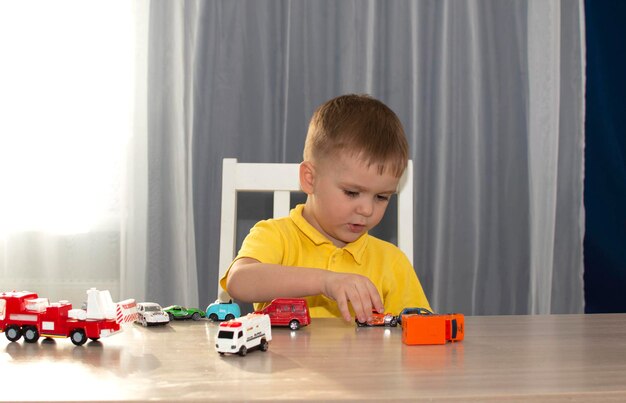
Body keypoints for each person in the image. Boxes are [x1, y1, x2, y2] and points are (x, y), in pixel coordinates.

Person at [220, 94, 431, 323]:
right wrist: (325, 281)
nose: (367, 209)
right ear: (310, 179)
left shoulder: (391, 261)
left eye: (381, 197)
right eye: (352, 192)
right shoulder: (277, 236)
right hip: (281, 360)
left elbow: (420, 330)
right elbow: (239, 282)